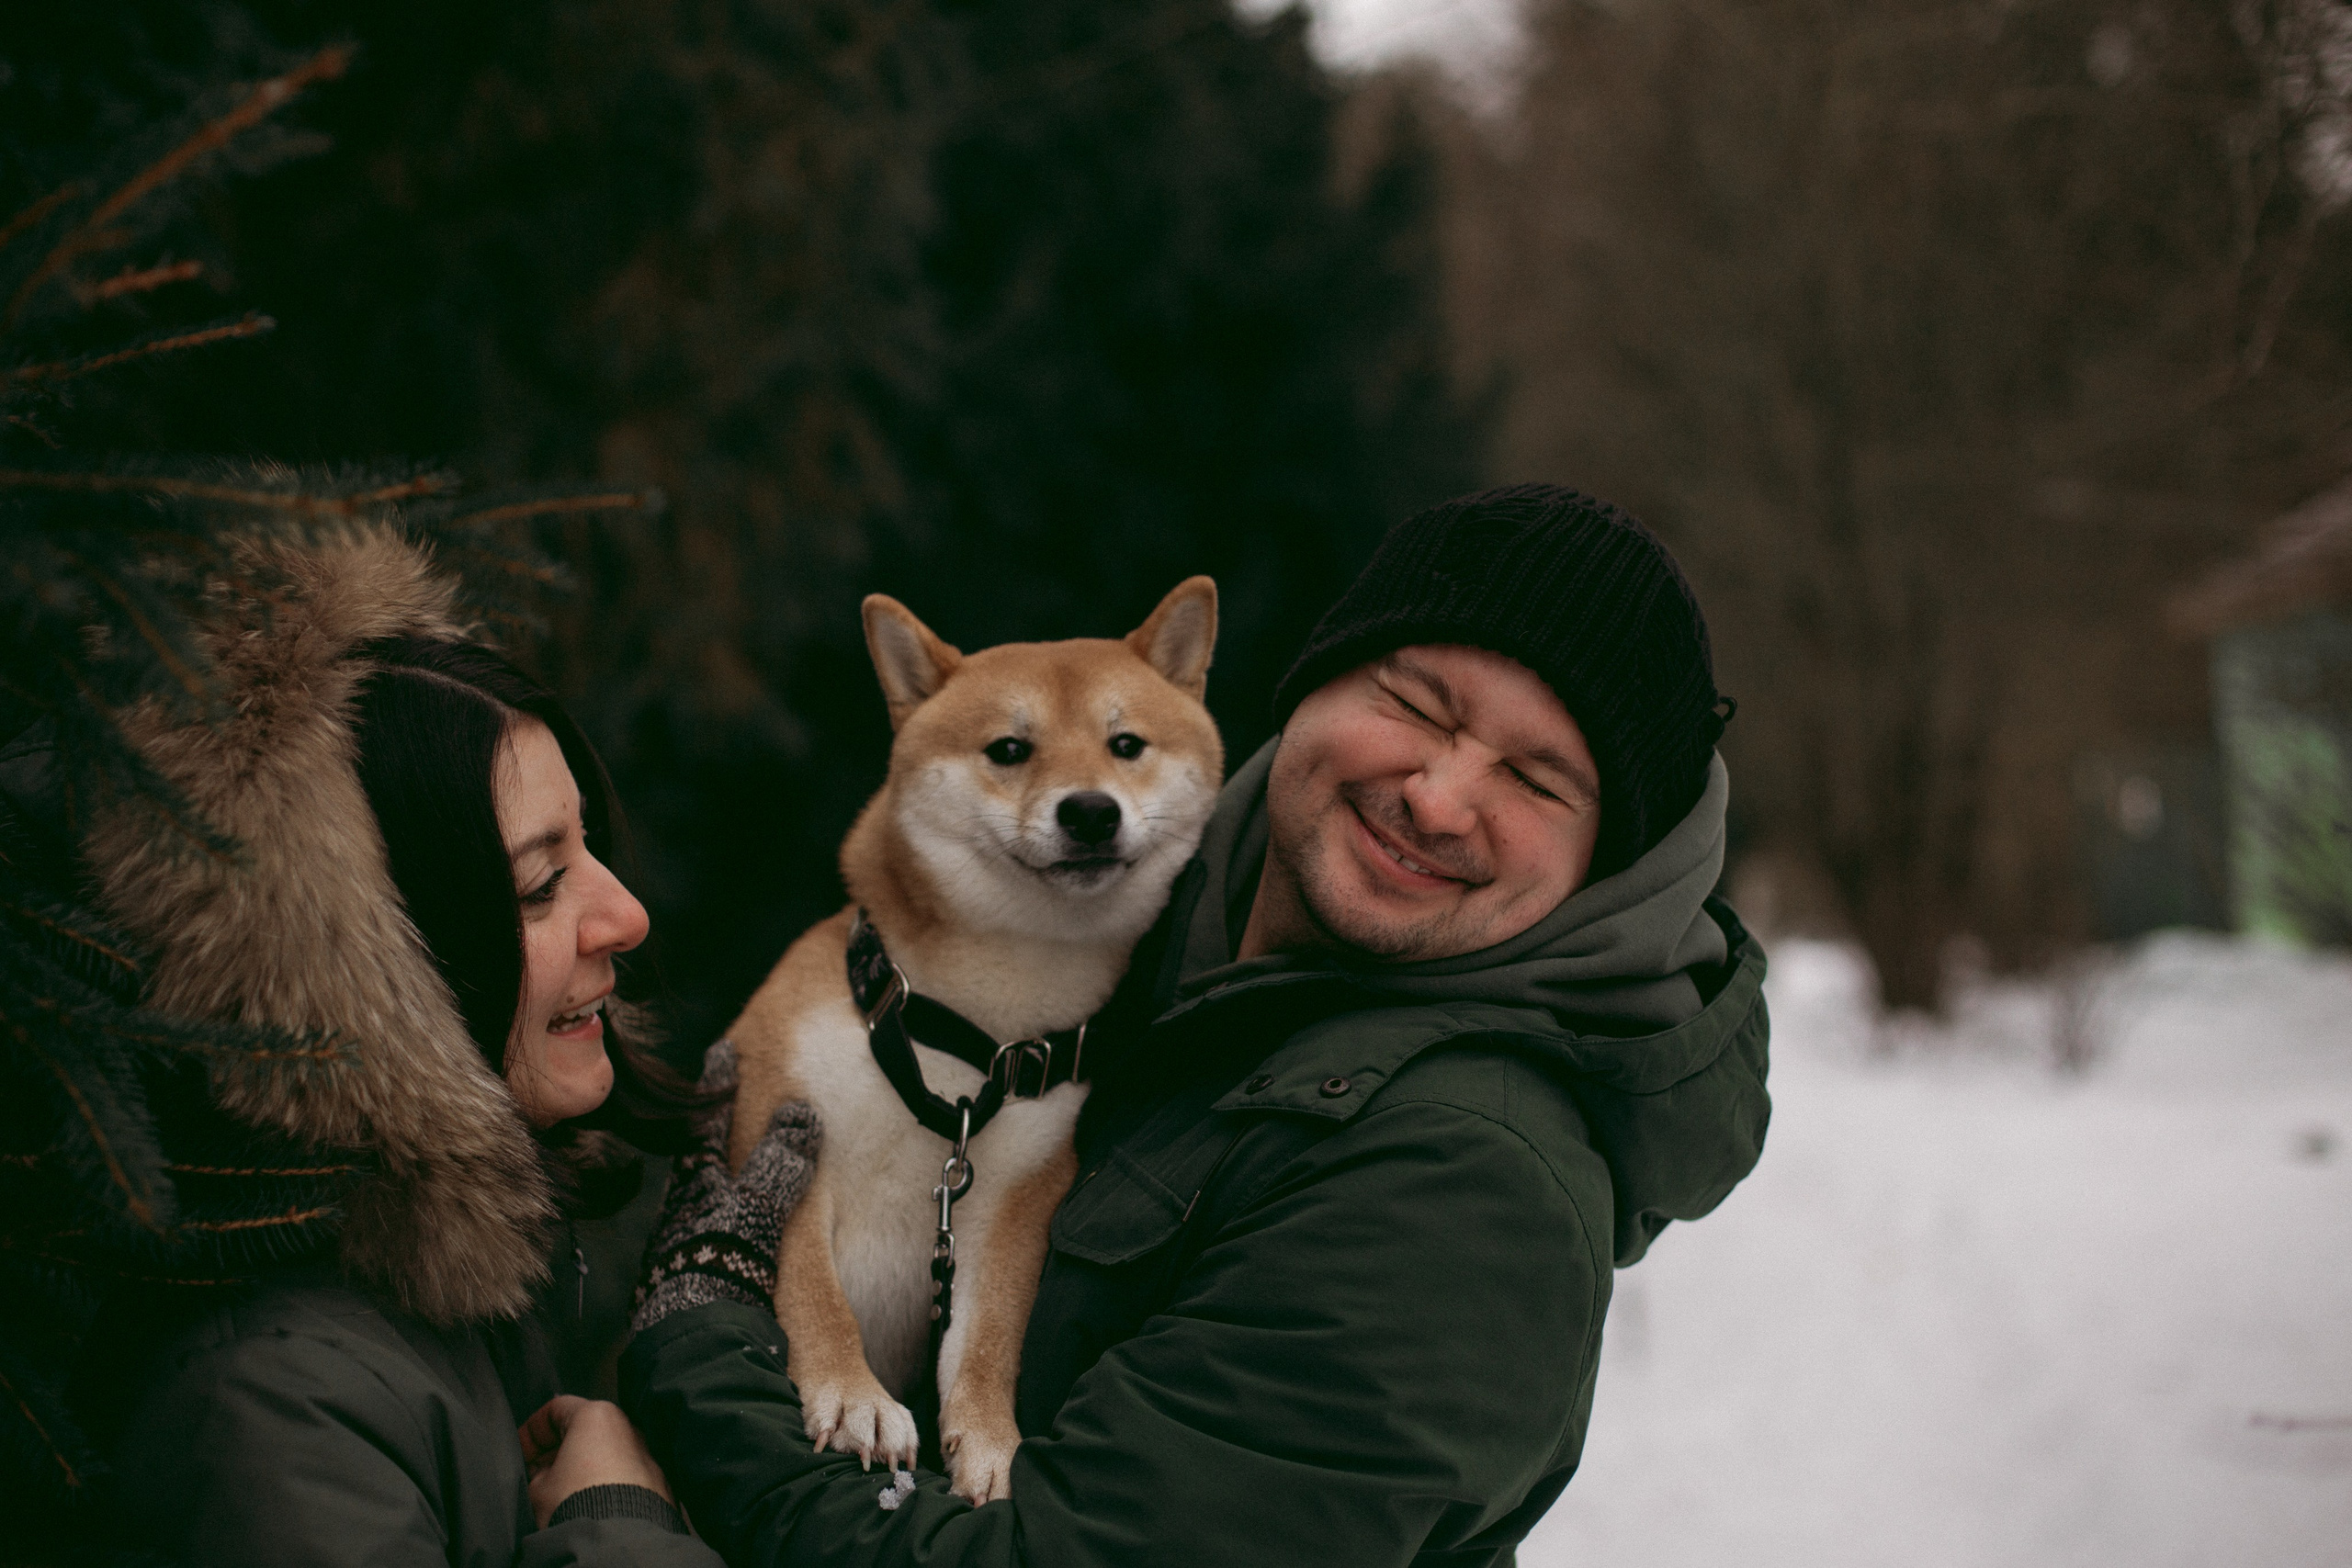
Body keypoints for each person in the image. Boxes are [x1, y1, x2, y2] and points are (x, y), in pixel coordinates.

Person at [588, 484, 1772, 1565]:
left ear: (1602, 866)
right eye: (1417, 705)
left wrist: (698, 1353)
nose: (1439, 798)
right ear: (1317, 680)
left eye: (1536, 780)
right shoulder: (1130, 943)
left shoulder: (1464, 1185)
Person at [68, 529, 725, 1567]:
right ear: (379, 975)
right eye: (540, 884)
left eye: (588, 846)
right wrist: (617, 1524)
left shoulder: (437, 1299)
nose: (626, 915)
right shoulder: (271, 1410)